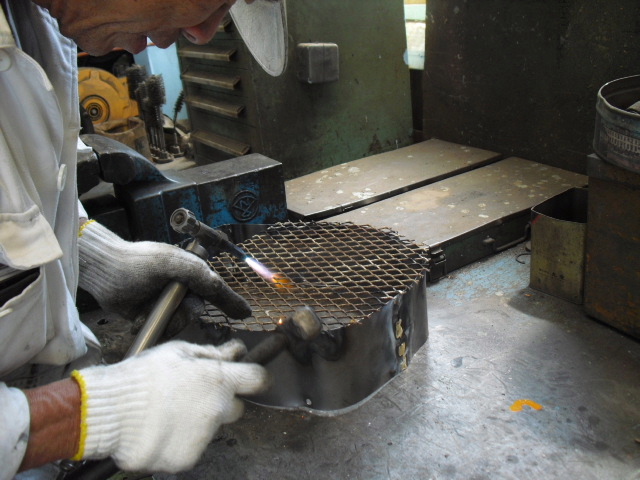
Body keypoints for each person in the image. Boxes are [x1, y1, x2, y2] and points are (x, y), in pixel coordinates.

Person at [0, 0, 282, 478]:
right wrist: (81, 416)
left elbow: (31, 188)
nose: (201, 32)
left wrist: (95, 254)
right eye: (208, 0)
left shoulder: (37, 28)